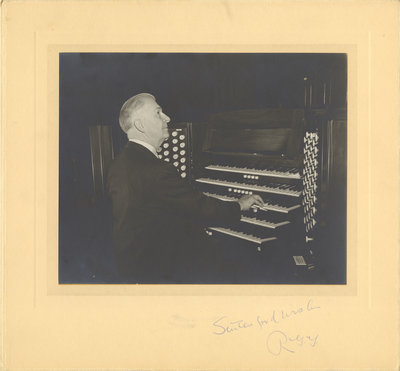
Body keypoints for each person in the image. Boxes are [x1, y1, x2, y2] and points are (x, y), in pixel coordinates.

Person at [107, 93, 264, 283]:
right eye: (158, 113)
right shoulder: (155, 169)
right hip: (155, 267)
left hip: (130, 260)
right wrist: (238, 205)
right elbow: (199, 207)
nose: (167, 118)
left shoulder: (119, 163)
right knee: (236, 263)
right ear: (140, 125)